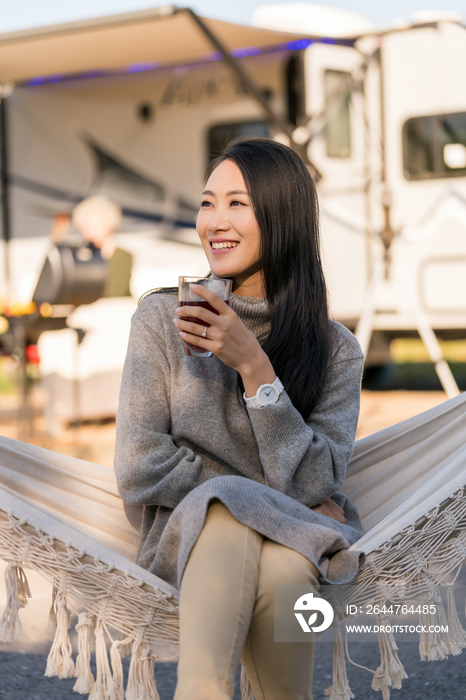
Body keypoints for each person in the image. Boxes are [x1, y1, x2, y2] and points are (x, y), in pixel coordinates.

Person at [114, 137, 365, 700]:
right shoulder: (162, 318)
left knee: (283, 569)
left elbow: (318, 479)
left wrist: (254, 366)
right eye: (207, 203)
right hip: (189, 537)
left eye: (237, 203)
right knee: (224, 510)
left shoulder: (336, 350)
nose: (214, 221)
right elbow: (138, 465)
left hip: (294, 543)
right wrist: (251, 494)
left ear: (283, 215)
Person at [72, 195, 133, 297]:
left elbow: (117, 292)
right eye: (87, 225)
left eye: (97, 224)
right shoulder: (75, 255)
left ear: (111, 226)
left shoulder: (123, 257)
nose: (91, 231)